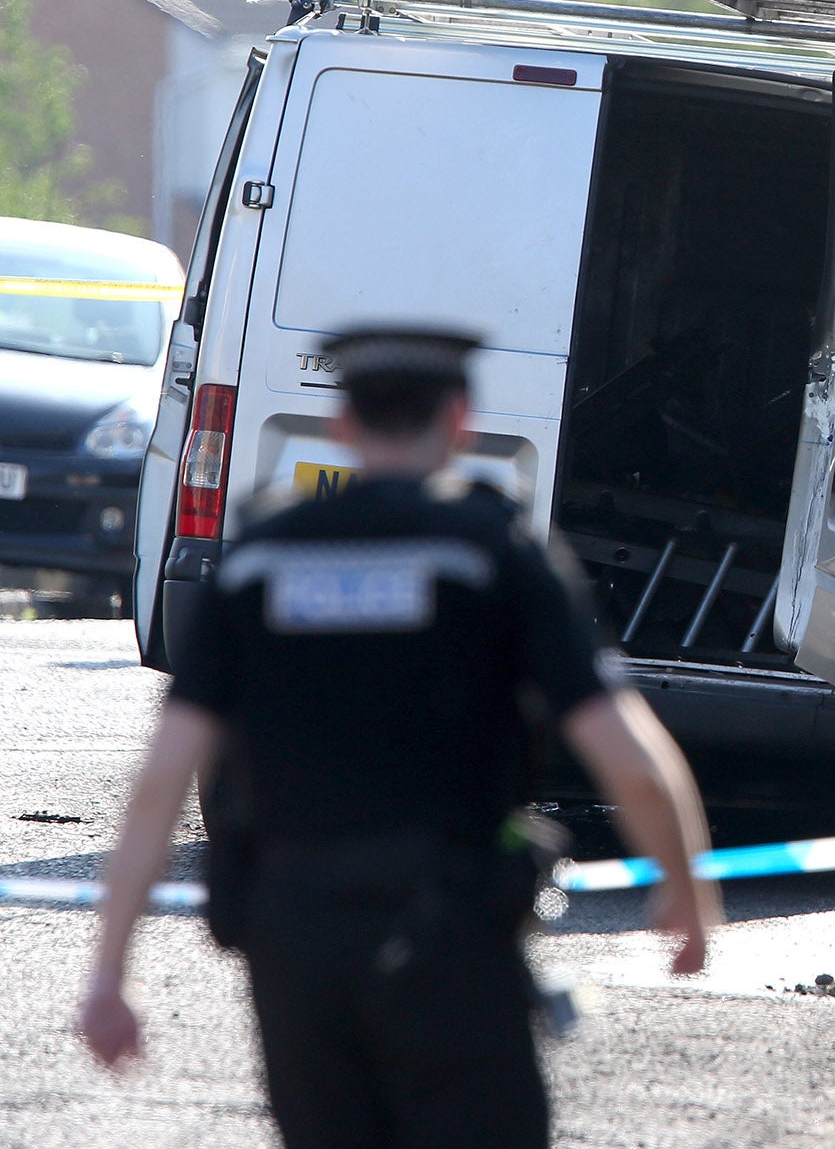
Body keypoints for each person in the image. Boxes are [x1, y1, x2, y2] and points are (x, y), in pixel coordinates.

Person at [76, 324, 721, 1148]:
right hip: (446, 923)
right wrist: (686, 894)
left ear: (342, 425)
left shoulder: (259, 562)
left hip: (294, 933)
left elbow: (162, 782)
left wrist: (109, 976)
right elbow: (628, 757)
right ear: (458, 421)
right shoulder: (494, 555)